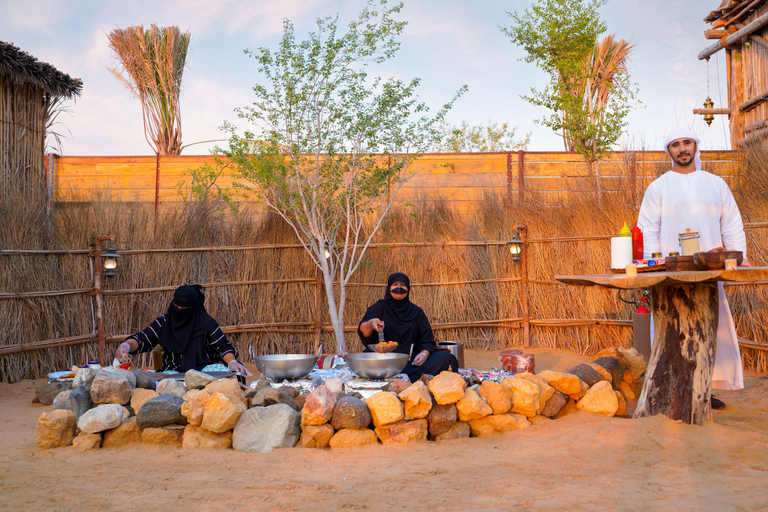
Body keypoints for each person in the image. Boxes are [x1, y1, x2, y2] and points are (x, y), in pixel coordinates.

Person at [637, 128, 748, 408]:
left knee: (710, 324)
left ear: (696, 146)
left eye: (687, 143)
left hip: (709, 266)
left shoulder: (715, 184)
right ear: (669, 151)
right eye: (676, 144)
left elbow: (731, 222)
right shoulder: (658, 187)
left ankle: (704, 388)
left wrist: (738, 255)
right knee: (670, 326)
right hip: (671, 268)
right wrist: (654, 264)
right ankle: (669, 387)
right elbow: (648, 229)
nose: (682, 149)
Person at [116, 284, 250, 376]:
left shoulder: (206, 323)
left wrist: (231, 361)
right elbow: (142, 339)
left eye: (185, 309)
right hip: (173, 373)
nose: (180, 311)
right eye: (177, 306)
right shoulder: (164, 322)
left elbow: (222, 347)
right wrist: (126, 345)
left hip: (205, 372)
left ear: (194, 307)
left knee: (232, 375)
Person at [358, 272, 459, 381]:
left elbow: (427, 341)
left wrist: (424, 354)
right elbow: (363, 332)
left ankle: (398, 379)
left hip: (410, 363)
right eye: (395, 284)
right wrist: (371, 323)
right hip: (382, 362)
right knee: (370, 365)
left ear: (408, 288)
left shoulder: (417, 312)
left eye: (403, 285)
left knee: (447, 358)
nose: (399, 288)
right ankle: (401, 379)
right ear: (389, 287)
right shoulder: (379, 308)